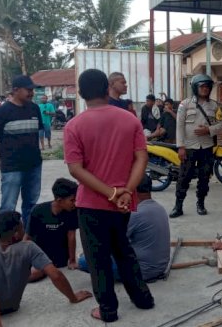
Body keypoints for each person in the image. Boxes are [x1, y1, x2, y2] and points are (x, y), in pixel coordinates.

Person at [64, 68, 154, 322]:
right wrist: (125, 191)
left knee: (98, 259)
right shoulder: (129, 119)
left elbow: (75, 169)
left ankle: (108, 310)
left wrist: (111, 193)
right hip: (124, 204)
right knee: (123, 250)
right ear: (107, 89)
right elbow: (141, 158)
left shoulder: (74, 125)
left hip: (92, 204)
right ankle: (143, 299)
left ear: (81, 94)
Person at [77, 175, 171, 282]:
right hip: (159, 266)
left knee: (83, 261)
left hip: (143, 270)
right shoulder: (159, 208)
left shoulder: (136, 213)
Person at [0, 75, 44, 230]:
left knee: (31, 204)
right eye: (28, 90)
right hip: (12, 167)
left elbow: (36, 133)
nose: (31, 93)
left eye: (32, 90)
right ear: (16, 90)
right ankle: (6, 240)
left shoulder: (34, 109)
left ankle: (28, 235)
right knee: (8, 206)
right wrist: (2, 153)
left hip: (34, 165)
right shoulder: (2, 112)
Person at [169, 74, 222, 218]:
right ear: (195, 87)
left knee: (204, 177)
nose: (205, 89)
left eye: (207, 86)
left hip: (206, 147)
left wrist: (209, 130)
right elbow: (179, 126)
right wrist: (180, 147)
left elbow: (221, 124)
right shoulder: (185, 104)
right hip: (188, 148)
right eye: (202, 86)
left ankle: (200, 203)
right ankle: (178, 205)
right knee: (184, 177)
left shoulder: (214, 105)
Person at [25, 178, 79, 282]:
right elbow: (28, 237)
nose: (75, 203)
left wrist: (72, 260)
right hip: (40, 256)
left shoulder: (72, 212)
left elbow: (71, 236)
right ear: (59, 200)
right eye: (72, 200)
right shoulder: (38, 211)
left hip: (60, 259)